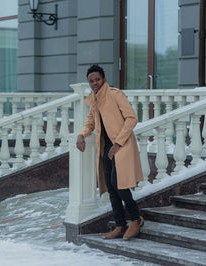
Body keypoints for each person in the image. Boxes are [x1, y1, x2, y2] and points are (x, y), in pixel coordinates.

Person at [76, 64, 144, 240]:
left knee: (119, 184)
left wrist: (118, 143)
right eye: (91, 81)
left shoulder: (115, 94)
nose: (95, 83)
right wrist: (82, 135)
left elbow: (131, 118)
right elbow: (90, 122)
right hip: (105, 149)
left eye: (97, 79)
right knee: (111, 188)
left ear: (103, 79)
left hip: (121, 146)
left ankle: (136, 219)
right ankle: (120, 225)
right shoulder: (94, 100)